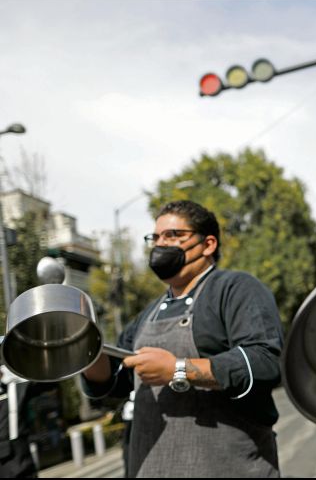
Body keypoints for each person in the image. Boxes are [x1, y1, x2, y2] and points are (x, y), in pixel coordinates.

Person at [82, 200, 283, 478]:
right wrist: (84, 347)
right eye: (156, 237)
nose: (160, 245)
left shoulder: (236, 289)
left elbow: (264, 362)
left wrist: (178, 369)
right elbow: (113, 382)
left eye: (173, 236)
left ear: (208, 244)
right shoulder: (147, 315)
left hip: (230, 468)